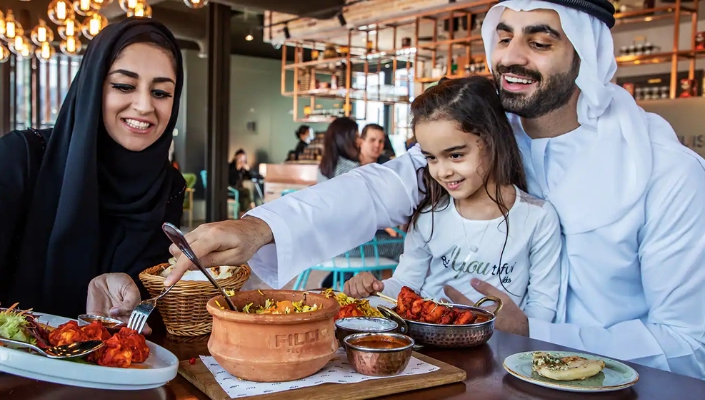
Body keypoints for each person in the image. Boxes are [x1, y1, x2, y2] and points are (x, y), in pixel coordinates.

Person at [166, 0, 705, 379]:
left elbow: (688, 346)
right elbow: (379, 189)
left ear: (588, 53)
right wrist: (258, 226)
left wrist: (538, 334)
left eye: (540, 41)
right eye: (504, 35)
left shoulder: (667, 174)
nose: (512, 57)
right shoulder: (489, 137)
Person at [0, 18, 187, 350]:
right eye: (123, 86)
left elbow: (153, 301)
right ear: (93, 86)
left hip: (107, 378)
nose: (144, 105)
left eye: (161, 92)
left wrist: (132, 296)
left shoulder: (166, 186)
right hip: (0, 369)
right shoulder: (22, 156)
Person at [344, 77, 562, 325]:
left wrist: (516, 326)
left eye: (456, 155)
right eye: (431, 158)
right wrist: (374, 288)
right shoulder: (429, 217)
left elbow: (542, 308)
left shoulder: (538, 218)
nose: (442, 171)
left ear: (491, 140)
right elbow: (406, 284)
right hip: (430, 350)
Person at [317, 117, 360, 183]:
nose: (360, 141)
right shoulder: (351, 169)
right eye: (356, 137)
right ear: (346, 140)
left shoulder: (324, 168)